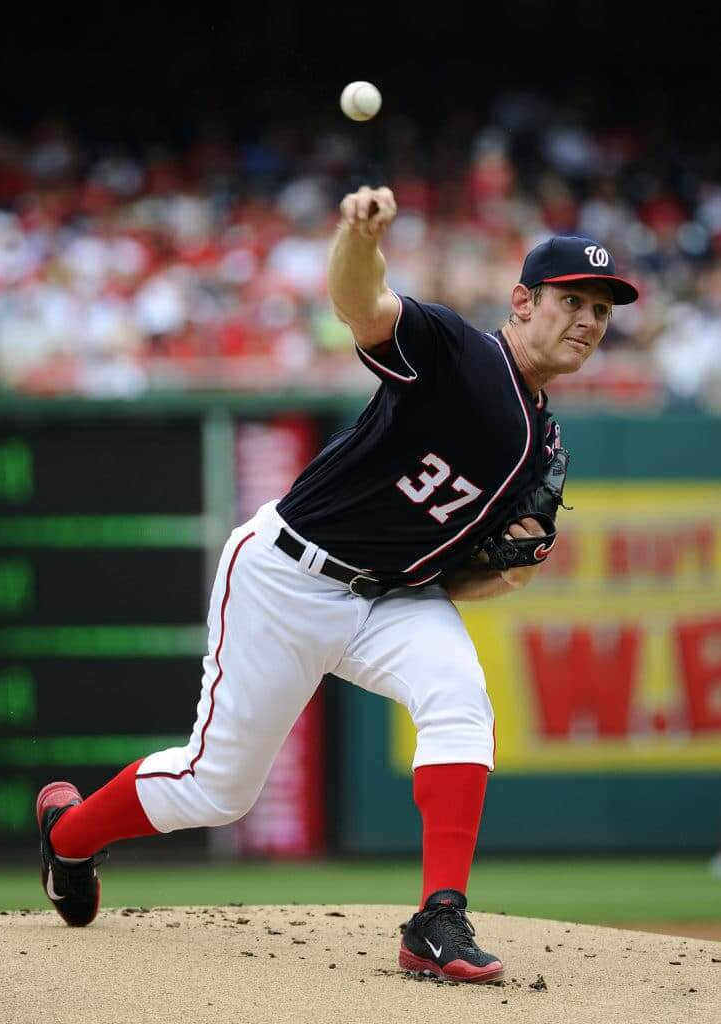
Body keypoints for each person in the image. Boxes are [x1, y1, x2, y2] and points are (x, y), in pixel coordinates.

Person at [36, 186, 639, 982]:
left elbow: (470, 584)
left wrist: (504, 572)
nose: (588, 321)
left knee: (459, 697)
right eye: (572, 300)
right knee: (217, 790)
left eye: (602, 309)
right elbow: (363, 304)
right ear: (523, 301)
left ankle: (438, 918)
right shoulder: (459, 351)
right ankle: (68, 838)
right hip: (287, 576)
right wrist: (358, 237)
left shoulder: (542, 443)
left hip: (389, 598)